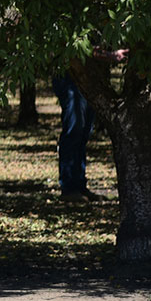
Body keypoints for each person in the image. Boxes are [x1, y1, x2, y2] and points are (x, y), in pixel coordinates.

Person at [53, 48, 128, 201]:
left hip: (85, 78)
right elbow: (77, 47)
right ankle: (68, 187)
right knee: (74, 130)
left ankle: (79, 185)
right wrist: (109, 55)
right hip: (69, 77)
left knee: (84, 132)